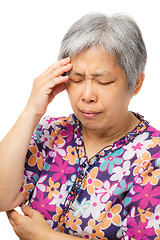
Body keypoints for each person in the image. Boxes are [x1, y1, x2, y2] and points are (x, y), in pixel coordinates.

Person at [0, 12, 160, 240]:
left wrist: (46, 237)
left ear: (136, 83)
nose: (86, 95)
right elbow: (2, 197)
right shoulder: (51, 133)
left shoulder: (153, 156)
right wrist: (31, 112)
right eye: (76, 79)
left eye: (103, 81)